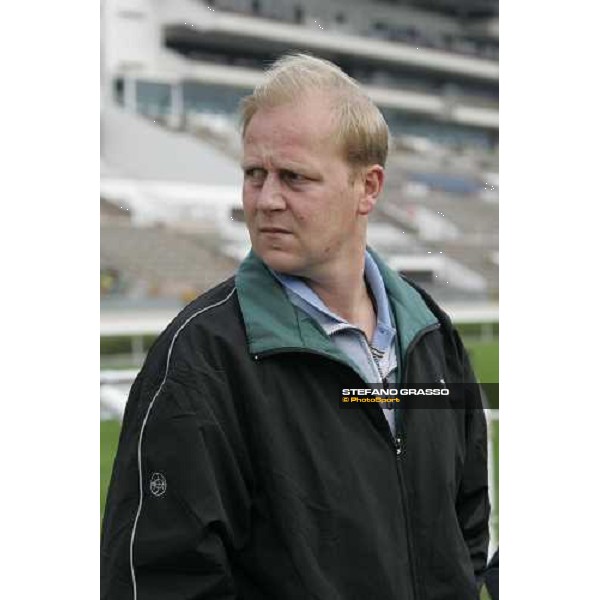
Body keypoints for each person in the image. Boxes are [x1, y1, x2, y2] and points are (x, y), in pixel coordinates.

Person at [101, 53, 490, 599]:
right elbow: (160, 578)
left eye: (294, 178)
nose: (266, 200)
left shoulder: (431, 333)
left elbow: (466, 522)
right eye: (254, 175)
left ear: (368, 188)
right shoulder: (200, 358)